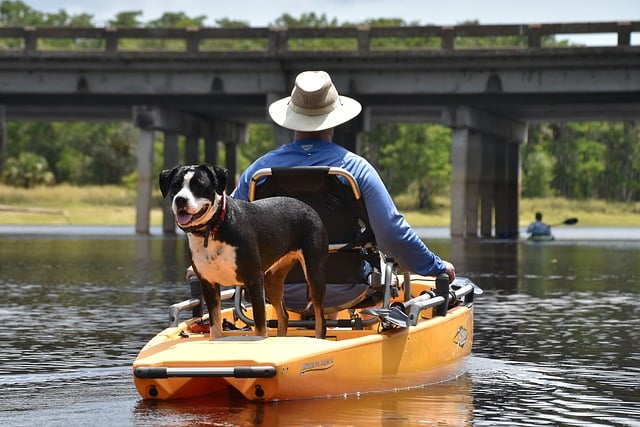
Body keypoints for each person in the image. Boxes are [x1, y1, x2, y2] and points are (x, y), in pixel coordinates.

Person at [231, 70, 456, 287]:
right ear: (334, 119)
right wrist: (435, 266)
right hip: (347, 285)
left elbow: (226, 226)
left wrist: (198, 269)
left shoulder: (258, 172)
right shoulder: (356, 169)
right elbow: (391, 234)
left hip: (276, 289)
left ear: (292, 118)